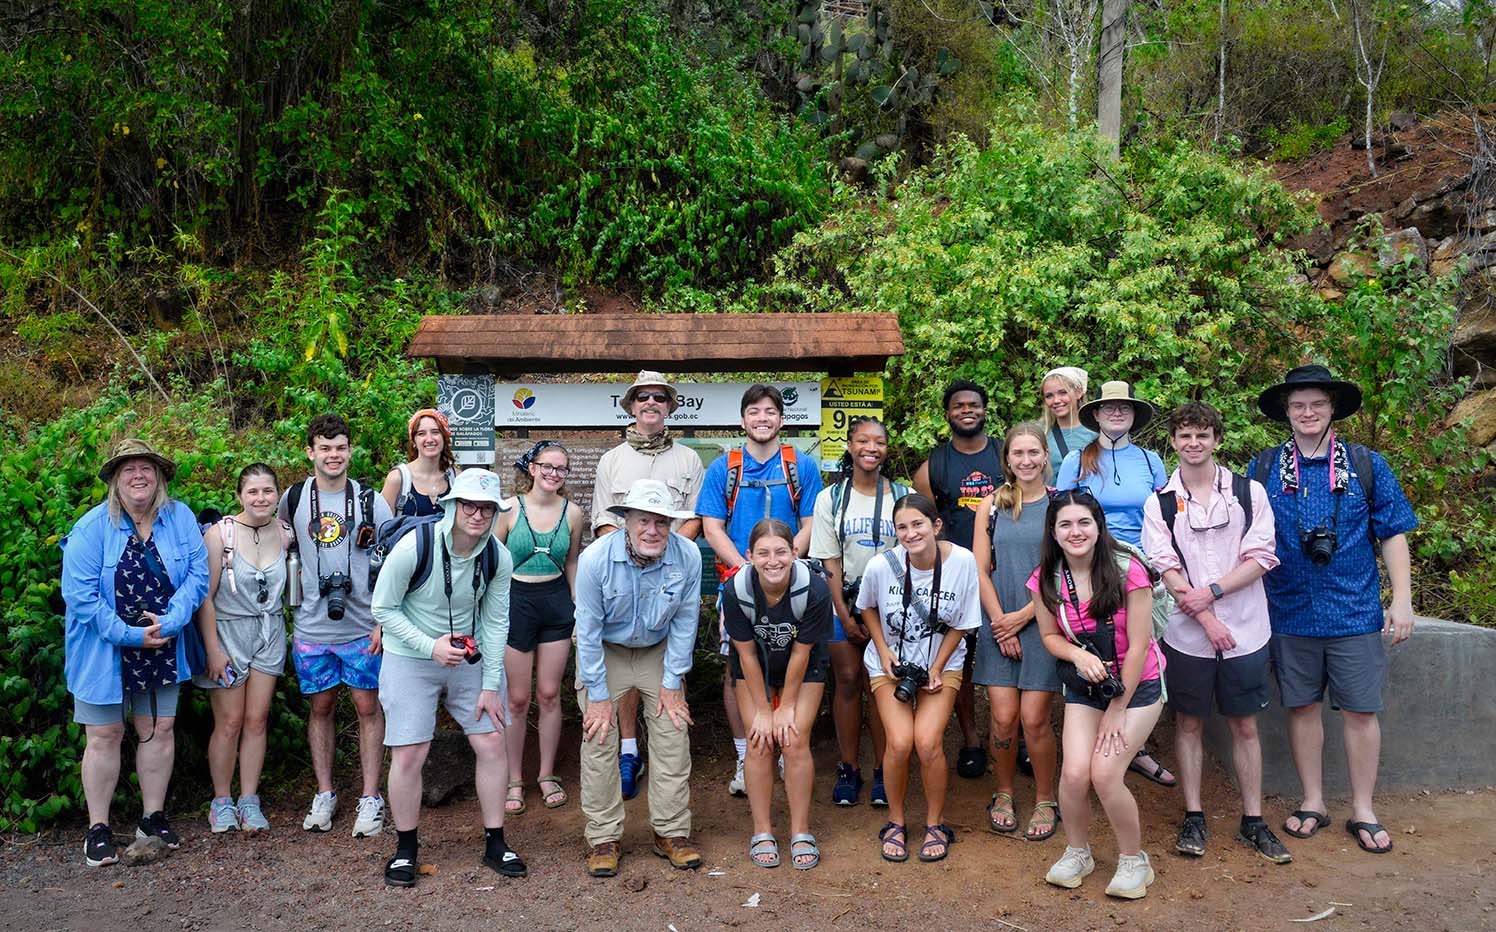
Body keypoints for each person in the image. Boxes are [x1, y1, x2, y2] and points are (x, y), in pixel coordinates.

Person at [1248, 365, 1417, 855]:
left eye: (1316, 404)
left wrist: (1401, 599)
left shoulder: (1366, 465)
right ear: (1286, 411)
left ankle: (1363, 808)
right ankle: (1313, 800)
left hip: (1354, 611)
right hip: (1287, 611)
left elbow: (1393, 533)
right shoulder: (1262, 469)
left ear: (1331, 409)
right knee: (1301, 708)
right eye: (1298, 405)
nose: (1307, 413)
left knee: (1362, 712)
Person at [1141, 402, 1291, 864]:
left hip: (1245, 630)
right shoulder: (1160, 502)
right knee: (1188, 723)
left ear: (1217, 440)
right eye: (1185, 435)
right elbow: (1164, 565)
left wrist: (1213, 592)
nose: (1193, 443)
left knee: (1245, 724)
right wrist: (1205, 615)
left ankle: (1253, 820)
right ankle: (1194, 815)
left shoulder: (1250, 494)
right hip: (1188, 636)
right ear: (1173, 441)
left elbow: (1262, 555)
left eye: (1202, 435)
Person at [371, 468, 525, 886]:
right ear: (453, 505)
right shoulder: (414, 546)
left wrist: (491, 686)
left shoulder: (497, 556)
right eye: (470, 505)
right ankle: (405, 848)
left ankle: (496, 841)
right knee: (410, 752)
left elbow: (496, 623)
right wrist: (429, 646)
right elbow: (382, 609)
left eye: (487, 507)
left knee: (492, 740)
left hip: (467, 656)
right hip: (410, 655)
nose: (478, 514)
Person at [61, 438, 209, 866]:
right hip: (103, 650)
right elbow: (81, 598)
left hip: (164, 643)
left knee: (158, 729)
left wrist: (174, 620)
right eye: (129, 469)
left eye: (147, 468)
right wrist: (130, 635)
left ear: (160, 477)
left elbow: (198, 576)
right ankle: (98, 829)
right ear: (115, 480)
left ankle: (152, 818)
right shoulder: (91, 528)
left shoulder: (180, 518)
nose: (138, 475)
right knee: (104, 735)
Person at [1032, 490, 1166, 899]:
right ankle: (1078, 851)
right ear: (1053, 533)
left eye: (1084, 522)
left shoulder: (1128, 569)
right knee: (1074, 774)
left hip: (1137, 686)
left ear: (1098, 526)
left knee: (1105, 774)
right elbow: (1049, 636)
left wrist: (1116, 709)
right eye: (1066, 524)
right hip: (1087, 686)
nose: (1076, 532)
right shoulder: (1046, 578)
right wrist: (1076, 654)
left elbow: (1141, 645)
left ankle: (1133, 860)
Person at [699, 384, 824, 796]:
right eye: (754, 412)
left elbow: (810, 523)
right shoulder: (724, 468)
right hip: (739, 583)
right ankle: (744, 752)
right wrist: (744, 569)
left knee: (793, 659)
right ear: (742, 420)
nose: (762, 419)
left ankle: (788, 746)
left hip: (790, 580)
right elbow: (712, 527)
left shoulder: (801, 465)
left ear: (782, 420)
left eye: (770, 412)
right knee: (738, 665)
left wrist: (784, 562)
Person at [575, 479, 704, 878]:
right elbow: (588, 630)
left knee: (672, 730)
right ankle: (603, 837)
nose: (653, 530)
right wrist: (597, 695)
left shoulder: (687, 556)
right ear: (626, 521)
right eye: (644, 520)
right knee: (599, 734)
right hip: (605, 652)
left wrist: (672, 681)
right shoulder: (596, 559)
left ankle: (670, 832)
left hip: (658, 650)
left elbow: (685, 621)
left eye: (662, 522)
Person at [1055, 380, 1175, 788]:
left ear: (1132, 415)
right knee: (1099, 647)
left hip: (1138, 568)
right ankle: (1092, 741)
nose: (1117, 414)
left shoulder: (1150, 460)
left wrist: (1161, 567)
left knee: (1140, 650)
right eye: (1109, 409)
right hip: (1090, 565)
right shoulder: (1077, 459)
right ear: (1098, 415)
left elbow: (1162, 517)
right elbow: (1064, 515)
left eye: (1124, 409)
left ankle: (1132, 745)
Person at [591, 371, 705, 801]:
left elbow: (692, 517)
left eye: (660, 397)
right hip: (621, 579)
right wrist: (630, 563)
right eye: (643, 397)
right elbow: (605, 520)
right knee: (621, 667)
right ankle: (628, 749)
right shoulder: (612, 460)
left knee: (669, 666)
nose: (651, 403)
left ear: (670, 406)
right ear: (632, 406)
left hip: (671, 577)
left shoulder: (688, 460)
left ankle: (667, 767)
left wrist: (666, 555)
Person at [280, 413, 394, 837]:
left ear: (350, 451)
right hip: (311, 627)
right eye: (324, 448)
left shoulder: (370, 501)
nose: (333, 455)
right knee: (321, 707)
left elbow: (392, 561)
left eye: (340, 447)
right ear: (310, 451)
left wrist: (385, 620)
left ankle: (370, 797)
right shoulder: (292, 499)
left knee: (368, 707)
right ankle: (325, 792)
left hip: (363, 624)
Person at [856, 493, 983, 864]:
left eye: (918, 524)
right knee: (899, 743)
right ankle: (895, 821)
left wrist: (938, 668)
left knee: (927, 743)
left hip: (942, 664)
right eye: (902, 527)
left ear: (936, 526)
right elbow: (866, 607)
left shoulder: (962, 561)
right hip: (891, 666)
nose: (910, 534)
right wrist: (882, 651)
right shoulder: (883, 565)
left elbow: (964, 622)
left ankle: (934, 823)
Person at [808, 416, 905, 807]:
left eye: (878, 441)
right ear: (849, 446)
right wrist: (845, 617)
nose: (870, 448)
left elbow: (913, 551)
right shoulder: (831, 498)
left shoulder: (902, 493)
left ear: (886, 448)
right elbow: (827, 560)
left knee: (881, 684)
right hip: (842, 603)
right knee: (847, 680)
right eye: (862, 440)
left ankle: (886, 769)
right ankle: (849, 767)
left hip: (890, 607)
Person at [726, 519, 833, 870]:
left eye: (781, 552)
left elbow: (802, 653)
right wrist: (763, 709)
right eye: (764, 553)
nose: (773, 560)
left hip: (802, 666)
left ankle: (800, 830)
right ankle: (762, 830)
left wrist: (785, 707)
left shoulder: (814, 589)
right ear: (749, 555)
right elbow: (745, 654)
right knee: (759, 739)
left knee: (794, 737)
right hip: (755, 664)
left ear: (795, 552)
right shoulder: (736, 590)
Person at [971, 422, 1061, 841]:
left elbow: (1063, 572)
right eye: (1017, 454)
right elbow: (980, 569)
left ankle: (1046, 797)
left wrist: (1024, 617)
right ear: (1006, 459)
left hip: (1043, 622)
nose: (1025, 461)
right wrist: (1000, 624)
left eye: (1033, 453)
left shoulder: (1061, 505)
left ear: (1045, 456)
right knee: (1004, 719)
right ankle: (1003, 791)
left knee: (1035, 719)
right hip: (998, 621)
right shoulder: (990, 506)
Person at [195, 464, 293, 833]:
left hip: (268, 632)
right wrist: (212, 649)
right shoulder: (222, 534)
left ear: (277, 495)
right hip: (228, 632)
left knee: (256, 719)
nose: (260, 499)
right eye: (252, 492)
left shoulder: (284, 533)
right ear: (239, 496)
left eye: (268, 491)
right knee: (230, 721)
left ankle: (249, 799)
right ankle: (221, 800)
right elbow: (205, 597)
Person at [912, 380, 1000, 780]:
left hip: (1003, 574)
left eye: (975, 405)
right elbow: (927, 527)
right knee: (959, 660)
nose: (967, 410)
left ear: (985, 410)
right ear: (947, 414)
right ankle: (971, 740)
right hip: (957, 577)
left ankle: (1011, 741)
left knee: (1007, 656)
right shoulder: (934, 465)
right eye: (959, 405)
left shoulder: (1005, 454)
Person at [499, 441, 584, 814]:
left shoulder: (573, 513)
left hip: (555, 604)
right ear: (531, 468)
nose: (553, 473)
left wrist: (579, 607)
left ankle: (547, 774)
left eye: (561, 469)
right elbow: (493, 563)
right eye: (546, 466)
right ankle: (513, 778)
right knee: (517, 699)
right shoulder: (509, 509)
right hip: (516, 602)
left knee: (549, 694)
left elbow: (572, 562)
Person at [380, 408, 457, 517]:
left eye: (435, 432)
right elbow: (383, 527)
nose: (429, 439)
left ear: (444, 437)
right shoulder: (398, 479)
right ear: (414, 441)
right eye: (421, 434)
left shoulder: (456, 478)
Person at [1041, 367, 1097, 477]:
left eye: (1063, 393)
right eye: (1049, 396)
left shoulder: (1096, 431)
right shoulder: (1040, 433)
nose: (1056, 400)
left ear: (1078, 392)